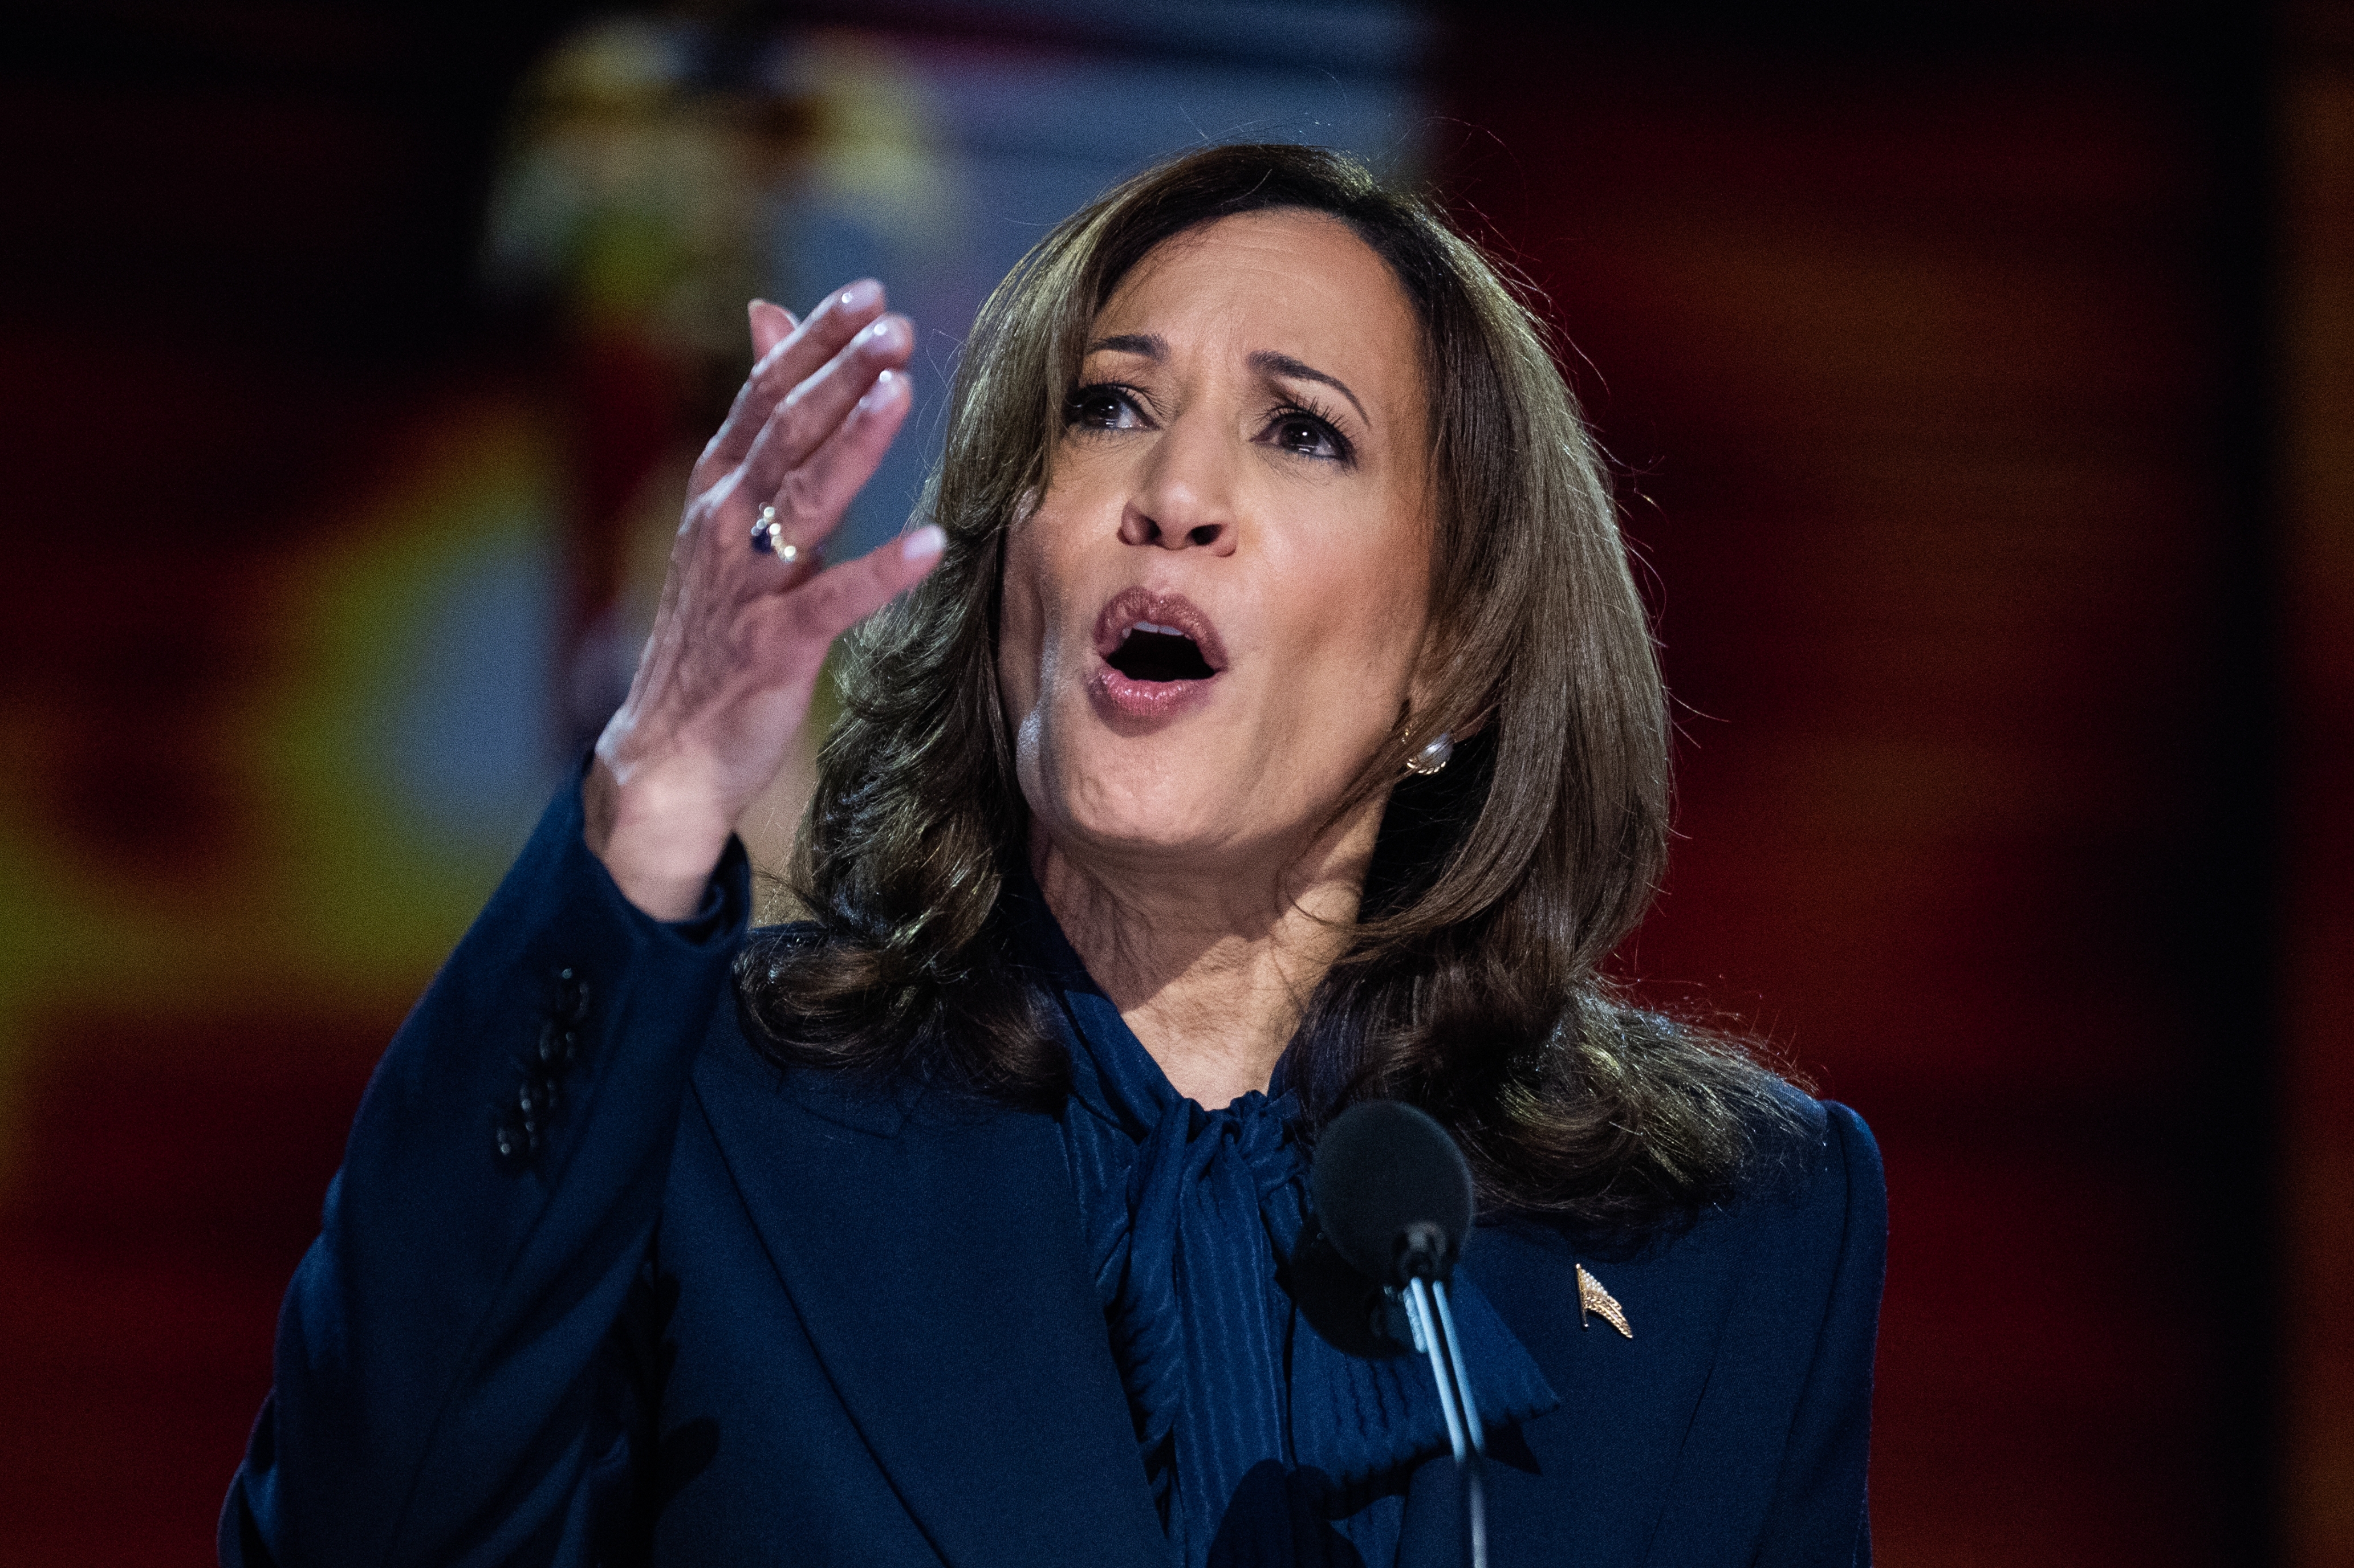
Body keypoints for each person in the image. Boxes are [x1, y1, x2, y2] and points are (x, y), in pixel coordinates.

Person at [220, 143, 1885, 1568]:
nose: (1171, 492)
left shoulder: (1730, 1236)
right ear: (1014, 569)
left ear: (1451, 654)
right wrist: (653, 799)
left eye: (1299, 431)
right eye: (1108, 409)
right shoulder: (712, 1115)